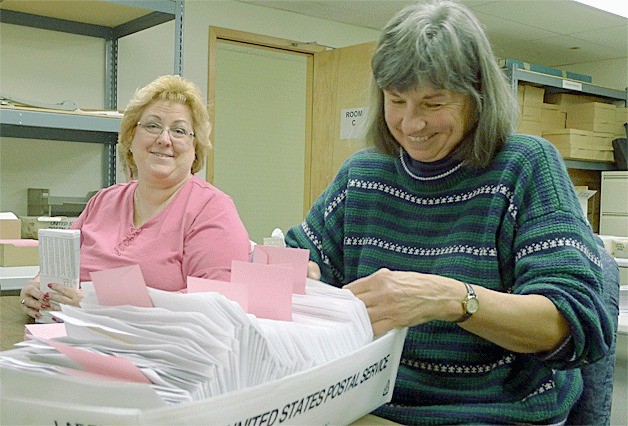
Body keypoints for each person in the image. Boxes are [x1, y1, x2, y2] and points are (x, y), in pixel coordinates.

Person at [285, 1, 615, 424]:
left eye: (433, 103)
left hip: (490, 413)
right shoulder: (361, 175)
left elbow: (576, 327)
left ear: (477, 96)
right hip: (368, 403)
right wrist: (293, 272)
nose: (410, 124)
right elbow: (299, 257)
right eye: (396, 100)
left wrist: (453, 300)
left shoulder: (525, 167)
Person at [20, 75, 251, 320]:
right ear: (131, 138)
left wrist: (96, 305)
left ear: (196, 149)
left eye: (179, 130)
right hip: (68, 337)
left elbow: (217, 306)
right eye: (152, 126)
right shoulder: (103, 201)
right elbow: (59, 271)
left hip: (157, 352)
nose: (164, 139)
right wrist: (37, 287)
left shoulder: (212, 210)